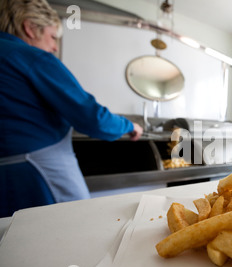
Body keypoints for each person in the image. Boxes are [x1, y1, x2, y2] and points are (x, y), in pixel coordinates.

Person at [0, 0, 143, 217]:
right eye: (52, 37)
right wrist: (129, 125)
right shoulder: (32, 58)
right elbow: (93, 118)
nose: (55, 47)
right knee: (73, 231)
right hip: (38, 170)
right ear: (29, 27)